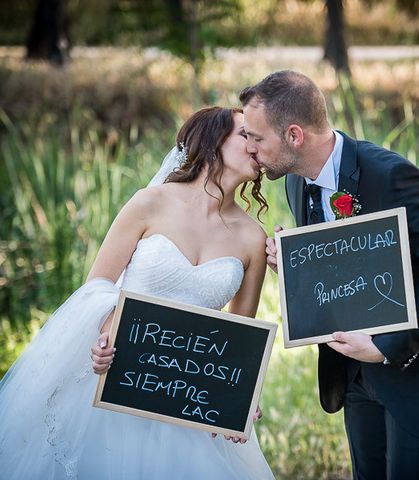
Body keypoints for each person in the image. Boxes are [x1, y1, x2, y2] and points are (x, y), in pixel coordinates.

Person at [240, 71, 419, 479]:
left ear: (294, 136)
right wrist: (294, 267)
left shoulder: (390, 175)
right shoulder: (295, 184)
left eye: (256, 138)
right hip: (354, 373)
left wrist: (386, 346)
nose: (249, 148)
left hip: (418, 366)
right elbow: (346, 268)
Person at [0, 106, 274, 479]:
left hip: (187, 396)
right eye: (246, 135)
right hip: (119, 379)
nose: (257, 146)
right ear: (213, 140)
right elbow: (97, 287)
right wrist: (106, 333)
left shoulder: (252, 238)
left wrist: (241, 397)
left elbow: (241, 337)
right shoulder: (150, 203)